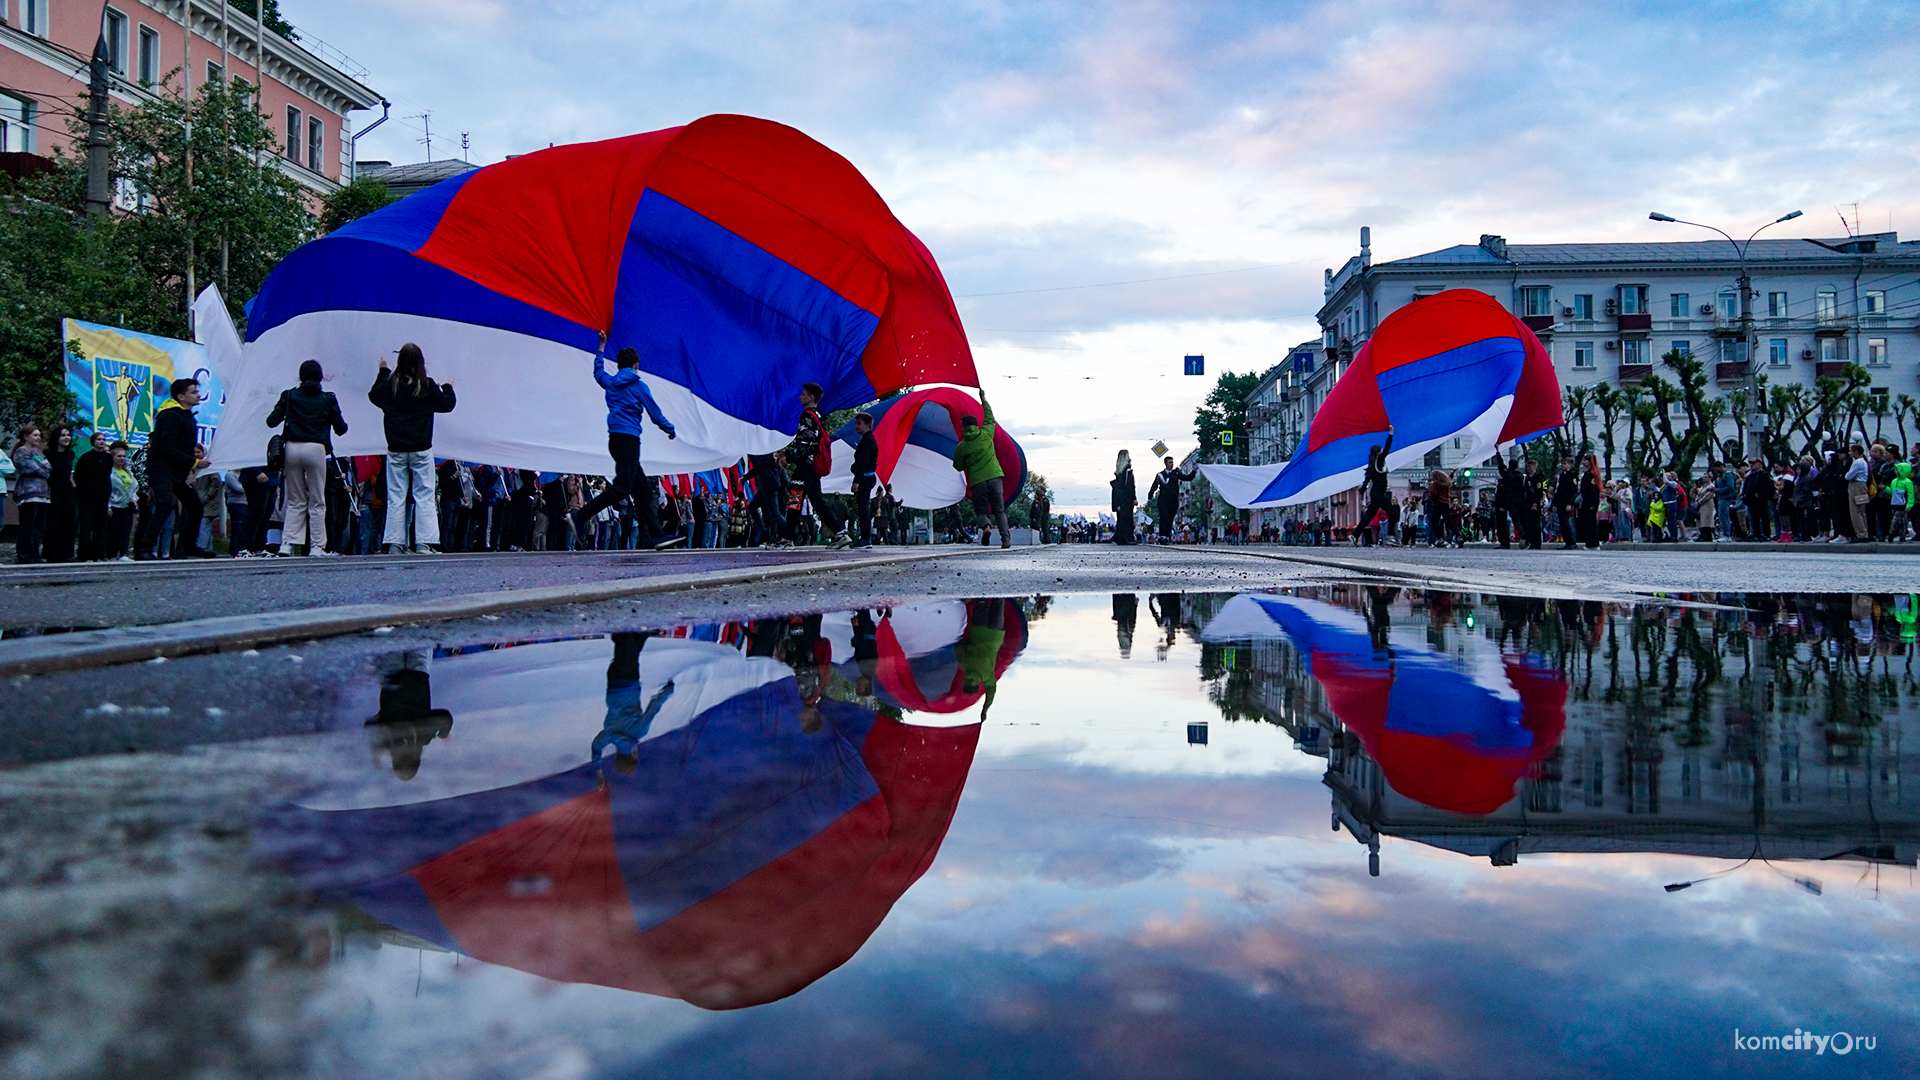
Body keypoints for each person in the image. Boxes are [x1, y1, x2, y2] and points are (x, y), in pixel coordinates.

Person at [572, 342, 677, 547]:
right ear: (636, 365)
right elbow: (655, 414)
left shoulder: (611, 383)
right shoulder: (639, 385)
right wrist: (670, 430)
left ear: (619, 365)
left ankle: (657, 534)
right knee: (622, 488)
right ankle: (580, 516)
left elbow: (598, 372)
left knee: (642, 490)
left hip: (615, 440)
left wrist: (601, 347)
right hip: (629, 440)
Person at [369, 343, 457, 554]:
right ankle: (425, 542)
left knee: (396, 495)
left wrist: (382, 370)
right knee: (424, 494)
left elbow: (374, 395)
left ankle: (394, 542)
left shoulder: (391, 385)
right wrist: (448, 386)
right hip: (421, 448)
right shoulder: (427, 385)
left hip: (396, 448)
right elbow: (448, 404)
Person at [266, 360, 348, 556]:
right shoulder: (328, 399)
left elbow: (271, 421)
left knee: (295, 499)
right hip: (316, 449)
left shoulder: (289, 396)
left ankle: (288, 542)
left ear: (300, 377)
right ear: (320, 377)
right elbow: (341, 429)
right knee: (317, 499)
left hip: (292, 449)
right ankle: (317, 546)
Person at [139, 378, 211, 559]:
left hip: (176, 471)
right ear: (181, 396)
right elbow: (166, 447)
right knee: (164, 504)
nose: (198, 395)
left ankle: (187, 547)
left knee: (194, 506)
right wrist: (194, 463)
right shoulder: (170, 416)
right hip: (161, 467)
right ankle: (145, 549)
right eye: (193, 392)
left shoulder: (188, 418)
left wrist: (190, 464)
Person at [784, 381, 847, 547]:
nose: (800, 396)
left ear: (811, 397)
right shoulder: (819, 417)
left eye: (803, 394)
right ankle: (840, 532)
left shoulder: (807, 416)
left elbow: (805, 445)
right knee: (818, 502)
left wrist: (787, 456)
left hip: (805, 466)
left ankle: (786, 539)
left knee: (795, 501)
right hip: (815, 466)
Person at [951, 393, 1010, 548]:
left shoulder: (962, 446)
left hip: (977, 481)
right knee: (999, 511)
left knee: (981, 511)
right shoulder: (986, 434)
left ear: (963, 427)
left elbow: (957, 465)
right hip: (994, 476)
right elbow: (990, 418)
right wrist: (983, 400)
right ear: (976, 425)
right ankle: (1006, 539)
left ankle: (986, 526)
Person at [10, 425, 50, 564]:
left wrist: (42, 468)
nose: (38, 438)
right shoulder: (20, 452)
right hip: (27, 493)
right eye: (35, 435)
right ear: (26, 436)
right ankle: (24, 554)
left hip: (43, 493)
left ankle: (35, 552)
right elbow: (34, 468)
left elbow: (48, 467)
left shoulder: (38, 452)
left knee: (39, 526)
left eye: (39, 435)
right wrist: (42, 469)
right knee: (27, 525)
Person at [73, 431, 112, 561]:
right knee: (87, 525)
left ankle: (99, 554)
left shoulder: (108, 458)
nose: (102, 441)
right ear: (93, 442)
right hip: (87, 496)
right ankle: (84, 554)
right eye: (99, 439)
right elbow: (77, 475)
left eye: (103, 439)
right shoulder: (86, 457)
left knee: (100, 526)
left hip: (103, 495)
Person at [847, 411, 881, 549]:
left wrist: (857, 481)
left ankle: (866, 538)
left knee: (862, 508)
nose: (856, 426)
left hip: (865, 478)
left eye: (859, 423)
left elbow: (862, 463)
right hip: (866, 477)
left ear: (867, 425)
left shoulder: (867, 442)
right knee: (862, 507)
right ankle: (865, 537)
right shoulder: (867, 440)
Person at [43, 426, 77, 562]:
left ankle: (65, 552)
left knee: (67, 521)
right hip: (52, 488)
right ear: (56, 438)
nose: (66, 438)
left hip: (67, 489)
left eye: (68, 435)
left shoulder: (70, 454)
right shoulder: (48, 453)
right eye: (63, 435)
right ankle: (51, 552)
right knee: (53, 521)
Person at [1147, 455, 1197, 545]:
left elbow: (1188, 478)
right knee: (1164, 516)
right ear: (1165, 463)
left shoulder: (1176, 474)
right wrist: (1149, 499)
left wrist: (1194, 470)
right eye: (1170, 462)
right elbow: (1154, 487)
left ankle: (1167, 536)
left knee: (1170, 518)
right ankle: (1162, 536)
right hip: (1163, 499)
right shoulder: (1160, 475)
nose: (1172, 464)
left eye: (1172, 462)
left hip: (1173, 500)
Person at [105, 441, 138, 560]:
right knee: (112, 531)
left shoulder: (128, 471)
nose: (122, 458)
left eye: (124, 456)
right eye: (119, 456)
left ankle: (124, 553)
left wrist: (134, 498)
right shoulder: (109, 472)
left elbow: (134, 487)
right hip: (114, 505)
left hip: (127, 505)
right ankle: (111, 554)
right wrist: (108, 506)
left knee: (125, 530)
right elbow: (106, 490)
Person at [1492, 452, 1522, 548]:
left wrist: (1498, 453)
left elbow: (1501, 466)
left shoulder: (1508, 477)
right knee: (1517, 520)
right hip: (1516, 502)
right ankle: (1524, 536)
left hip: (1504, 503)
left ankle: (1505, 542)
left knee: (1502, 523)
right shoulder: (1520, 476)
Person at [1742, 457, 1775, 541]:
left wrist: (1759, 494)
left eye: (1754, 463)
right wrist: (1745, 495)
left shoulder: (1763, 475)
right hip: (1751, 500)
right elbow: (1746, 487)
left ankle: (1766, 533)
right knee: (1754, 518)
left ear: (1759, 465)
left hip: (1761, 500)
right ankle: (1755, 534)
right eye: (1751, 464)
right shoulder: (1750, 476)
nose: (1751, 465)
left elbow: (1768, 487)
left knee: (1764, 516)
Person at [1842, 444, 1870, 542]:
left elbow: (1848, 476)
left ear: (1856, 451)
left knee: (1855, 511)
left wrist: (1846, 474)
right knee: (1861, 511)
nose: (1849, 453)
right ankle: (1864, 532)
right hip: (1862, 485)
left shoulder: (1857, 462)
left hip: (1856, 486)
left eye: (1851, 451)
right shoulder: (1864, 461)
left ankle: (1861, 534)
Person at [1517, 459, 1545, 549]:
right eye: (1527, 466)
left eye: (1530, 466)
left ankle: (1537, 543)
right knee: (1528, 524)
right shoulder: (1526, 478)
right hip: (1527, 503)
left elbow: (1538, 492)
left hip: (1534, 503)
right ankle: (1531, 541)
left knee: (1535, 524)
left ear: (1535, 467)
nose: (1528, 468)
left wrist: (1535, 503)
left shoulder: (1538, 478)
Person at [1111, 451, 1137, 545]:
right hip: (1127, 497)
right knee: (1127, 517)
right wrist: (1134, 498)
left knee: (1121, 517)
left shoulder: (1119, 472)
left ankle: (1119, 537)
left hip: (1119, 497)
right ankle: (1127, 537)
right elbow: (1131, 486)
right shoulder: (1128, 471)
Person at [1553, 458, 1578, 550]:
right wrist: (1554, 504)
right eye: (1562, 463)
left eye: (1565, 463)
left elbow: (1573, 490)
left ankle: (1572, 542)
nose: (1563, 465)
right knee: (1562, 523)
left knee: (1566, 522)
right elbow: (1558, 490)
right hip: (1560, 501)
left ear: (1570, 465)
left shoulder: (1572, 475)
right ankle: (1567, 542)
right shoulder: (1561, 476)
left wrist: (1570, 503)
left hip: (1566, 502)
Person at [1578, 453, 1602, 548]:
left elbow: (1593, 490)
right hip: (1586, 500)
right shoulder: (1587, 473)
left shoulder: (1592, 474)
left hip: (1590, 502)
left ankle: (1593, 543)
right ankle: (1589, 542)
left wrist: (1592, 503)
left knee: (1590, 523)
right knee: (1587, 522)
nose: (1583, 462)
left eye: (1585, 460)